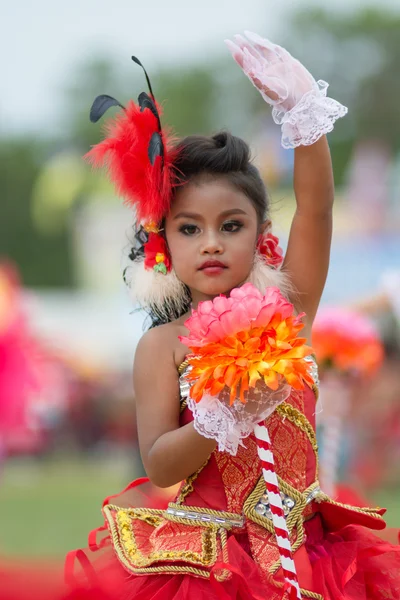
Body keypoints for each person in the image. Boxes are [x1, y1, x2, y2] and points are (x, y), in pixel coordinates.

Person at [64, 32, 400, 600]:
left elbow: (317, 207)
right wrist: (219, 419)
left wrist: (303, 115)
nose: (211, 243)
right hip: (210, 568)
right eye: (190, 228)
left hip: (309, 556)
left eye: (232, 225)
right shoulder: (163, 346)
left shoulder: (289, 311)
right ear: (164, 241)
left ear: (262, 234)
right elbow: (161, 465)